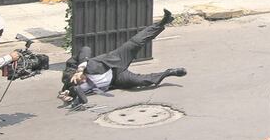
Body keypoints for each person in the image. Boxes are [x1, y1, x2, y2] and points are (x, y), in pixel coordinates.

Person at [58, 9, 186, 107]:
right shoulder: (73, 88)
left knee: (135, 43)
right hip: (116, 78)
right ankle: (169, 72)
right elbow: (71, 95)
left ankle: (163, 22)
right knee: (143, 81)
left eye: (79, 78)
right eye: (80, 81)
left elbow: (85, 49)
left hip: (113, 62)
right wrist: (68, 97)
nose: (81, 80)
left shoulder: (78, 69)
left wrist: (81, 69)